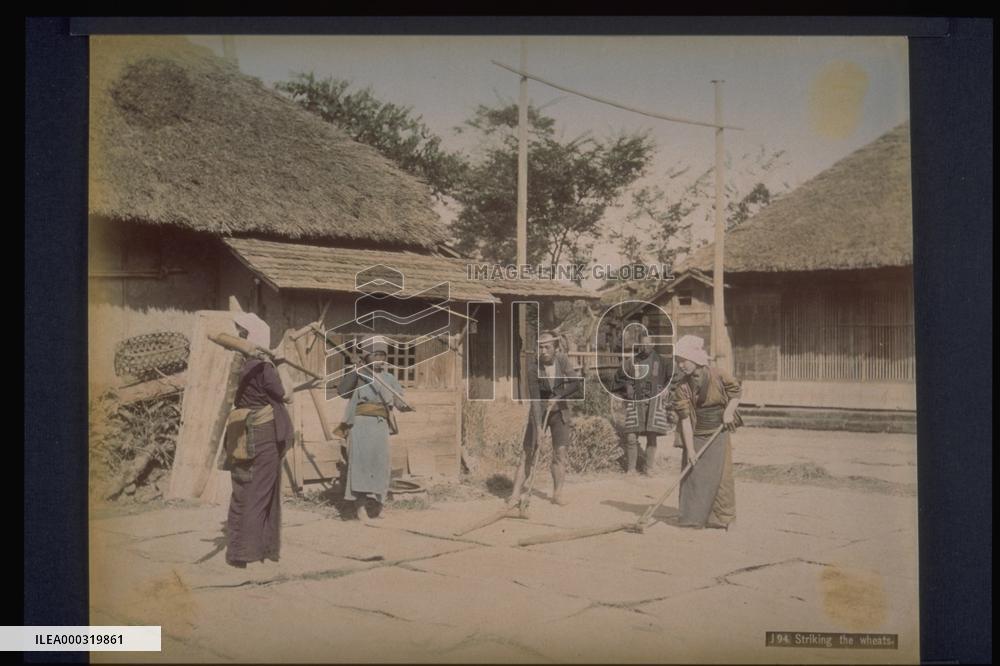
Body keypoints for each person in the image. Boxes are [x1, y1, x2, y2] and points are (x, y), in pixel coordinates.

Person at [224, 313, 294, 570]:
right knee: (259, 491)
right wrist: (282, 365)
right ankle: (245, 552)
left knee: (244, 489)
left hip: (242, 432)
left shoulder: (240, 365)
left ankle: (252, 548)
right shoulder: (264, 368)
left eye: (242, 334)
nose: (240, 338)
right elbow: (287, 395)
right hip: (262, 435)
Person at [671, 334, 742, 530]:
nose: (681, 366)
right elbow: (684, 419)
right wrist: (690, 449)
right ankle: (693, 517)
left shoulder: (718, 374)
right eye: (678, 361)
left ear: (695, 359)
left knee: (721, 475)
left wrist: (728, 412)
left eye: (683, 360)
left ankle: (723, 518)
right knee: (693, 474)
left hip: (718, 431)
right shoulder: (682, 386)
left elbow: (736, 393)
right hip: (695, 432)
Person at [337, 337, 409, 523]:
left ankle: (378, 506)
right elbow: (342, 391)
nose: (379, 359)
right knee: (360, 465)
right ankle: (359, 508)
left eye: (382, 356)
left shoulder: (389, 378)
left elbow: (398, 399)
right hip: (360, 424)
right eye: (375, 355)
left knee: (380, 465)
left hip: (380, 425)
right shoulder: (360, 375)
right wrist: (355, 371)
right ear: (367, 357)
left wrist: (404, 405)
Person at [508, 330, 583, 507]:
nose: (543, 351)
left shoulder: (562, 360)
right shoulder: (533, 367)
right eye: (540, 347)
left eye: (547, 347)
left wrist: (558, 396)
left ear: (555, 348)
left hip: (560, 413)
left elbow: (576, 384)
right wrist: (539, 428)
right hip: (539, 413)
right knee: (527, 453)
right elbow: (534, 399)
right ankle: (514, 495)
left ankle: (557, 494)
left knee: (560, 453)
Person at [612, 333, 672, 475]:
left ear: (653, 345)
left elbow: (673, 376)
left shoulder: (662, 361)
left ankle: (648, 467)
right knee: (631, 436)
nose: (645, 347)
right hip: (636, 401)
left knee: (652, 436)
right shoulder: (632, 361)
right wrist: (627, 385)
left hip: (654, 402)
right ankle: (631, 468)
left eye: (648, 344)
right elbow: (620, 376)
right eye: (642, 344)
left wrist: (667, 388)